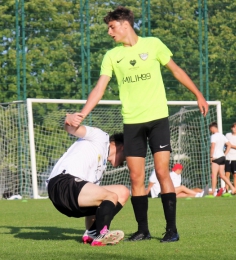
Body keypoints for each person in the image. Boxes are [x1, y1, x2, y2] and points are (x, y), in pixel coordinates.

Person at [66, 6, 208, 243]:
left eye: (112, 27)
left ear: (125, 24)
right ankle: (143, 230)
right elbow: (100, 88)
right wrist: (82, 113)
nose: (110, 33)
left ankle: (171, 230)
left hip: (158, 120)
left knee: (163, 172)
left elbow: (175, 70)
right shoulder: (112, 56)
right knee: (135, 177)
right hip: (132, 124)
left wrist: (198, 94)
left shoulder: (153, 44)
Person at [47, 114, 130, 246]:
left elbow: (94, 203)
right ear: (123, 147)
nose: (125, 162)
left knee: (123, 192)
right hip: (62, 183)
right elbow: (72, 129)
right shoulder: (101, 137)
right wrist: (69, 121)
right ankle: (102, 234)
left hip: (73, 200)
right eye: (127, 157)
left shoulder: (101, 167)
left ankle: (92, 233)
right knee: (110, 195)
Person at [209, 122, 236, 195]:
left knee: (214, 174)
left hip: (216, 157)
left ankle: (213, 191)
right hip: (222, 157)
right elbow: (229, 145)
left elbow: (213, 146)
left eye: (210, 129)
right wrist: (225, 154)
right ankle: (232, 188)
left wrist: (211, 156)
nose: (210, 131)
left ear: (213, 128)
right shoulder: (222, 136)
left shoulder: (213, 136)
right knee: (222, 175)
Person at [225, 123, 236, 192]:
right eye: (233, 127)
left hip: (235, 158)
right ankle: (226, 190)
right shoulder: (227, 135)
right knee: (227, 175)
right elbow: (225, 143)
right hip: (227, 158)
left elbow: (229, 145)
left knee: (235, 175)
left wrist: (230, 145)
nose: (234, 129)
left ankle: (234, 190)